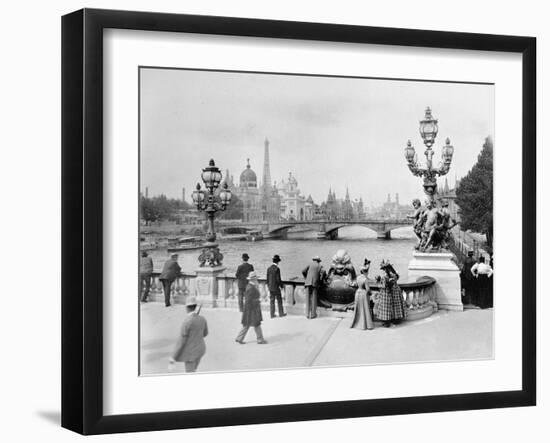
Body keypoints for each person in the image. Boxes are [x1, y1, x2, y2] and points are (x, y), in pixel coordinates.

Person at [168, 296, 208, 373]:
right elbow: (205, 333)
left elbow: (181, 342)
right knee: (194, 370)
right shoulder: (202, 319)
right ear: (195, 306)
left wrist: (173, 358)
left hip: (191, 354)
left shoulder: (186, 322)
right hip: (201, 350)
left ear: (186, 308)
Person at [235, 272, 267, 344]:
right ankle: (260, 339)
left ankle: (239, 338)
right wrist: (257, 301)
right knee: (256, 324)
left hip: (250, 309)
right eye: (256, 279)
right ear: (253, 280)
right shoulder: (251, 288)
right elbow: (248, 301)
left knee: (248, 324)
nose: (257, 281)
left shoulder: (250, 286)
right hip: (252, 309)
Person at [374, 259, 406, 327]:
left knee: (386, 307)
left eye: (383, 269)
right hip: (396, 291)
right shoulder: (394, 274)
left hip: (386, 293)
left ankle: (386, 322)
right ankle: (396, 319)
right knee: (396, 305)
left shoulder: (384, 277)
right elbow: (397, 277)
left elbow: (383, 286)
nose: (383, 270)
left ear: (385, 269)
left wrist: (377, 281)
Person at [350, 259, 374, 330]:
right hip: (363, 294)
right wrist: (370, 293)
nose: (367, 272)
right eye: (366, 271)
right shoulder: (365, 279)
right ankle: (365, 324)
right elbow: (368, 289)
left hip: (357, 293)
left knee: (359, 309)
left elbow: (356, 284)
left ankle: (357, 323)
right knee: (365, 309)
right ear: (364, 272)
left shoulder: (358, 277)